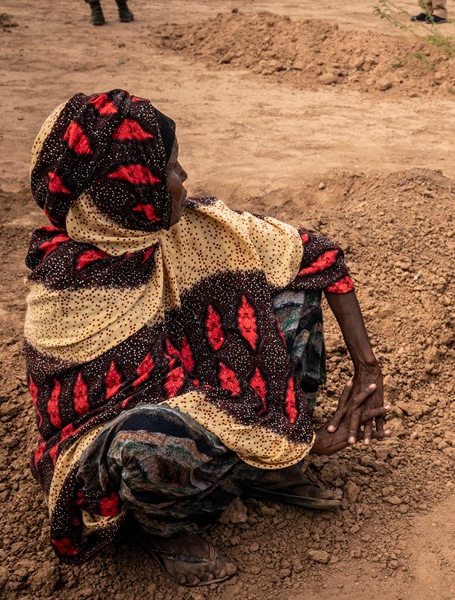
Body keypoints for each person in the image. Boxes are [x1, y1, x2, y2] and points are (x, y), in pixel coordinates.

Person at [25, 89, 389, 586]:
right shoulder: (68, 281)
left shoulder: (198, 228)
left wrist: (369, 372)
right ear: (127, 190)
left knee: (291, 294)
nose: (183, 179)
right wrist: (286, 429)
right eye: (170, 169)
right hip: (117, 445)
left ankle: (267, 466)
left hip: (202, 397)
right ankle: (165, 528)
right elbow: (140, 412)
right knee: (154, 439)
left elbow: (320, 257)